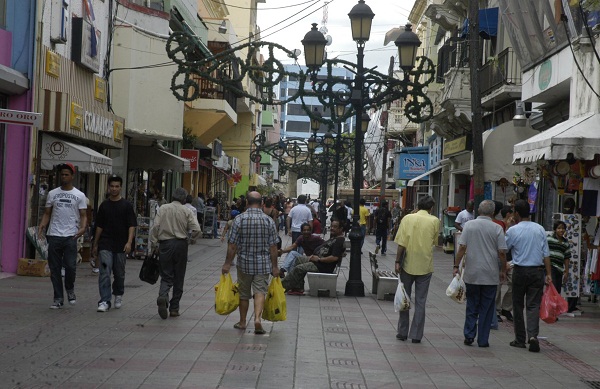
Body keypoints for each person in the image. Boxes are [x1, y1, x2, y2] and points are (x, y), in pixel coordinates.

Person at [222, 192, 279, 335]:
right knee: (260, 291)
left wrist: (228, 263)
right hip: (263, 263)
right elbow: (273, 247)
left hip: (244, 263)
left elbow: (232, 245)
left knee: (244, 293)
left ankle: (242, 322)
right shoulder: (268, 221)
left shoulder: (239, 220)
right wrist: (275, 266)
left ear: (247, 202)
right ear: (261, 203)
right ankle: (257, 319)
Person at [454, 200, 507, 348]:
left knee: (472, 305)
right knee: (486, 308)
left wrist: (455, 266)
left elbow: (462, 247)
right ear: (493, 212)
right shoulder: (497, 228)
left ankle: (469, 335)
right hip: (490, 274)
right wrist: (503, 270)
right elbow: (502, 253)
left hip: (472, 273)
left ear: (478, 210)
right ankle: (483, 340)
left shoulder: (469, 225)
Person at [38, 163, 88, 309]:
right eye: (62, 174)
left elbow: (83, 215)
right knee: (55, 268)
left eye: (67, 174)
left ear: (72, 176)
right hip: (54, 234)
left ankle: (70, 289)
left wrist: (83, 227)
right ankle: (58, 298)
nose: (64, 177)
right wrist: (42, 225)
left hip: (71, 235)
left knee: (71, 266)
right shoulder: (52, 193)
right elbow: (47, 213)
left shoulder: (79, 195)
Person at [505, 199, 552, 352]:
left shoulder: (513, 230)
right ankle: (532, 336)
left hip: (519, 271)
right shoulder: (539, 229)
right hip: (537, 271)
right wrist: (549, 274)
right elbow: (546, 254)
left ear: (516, 213)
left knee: (517, 305)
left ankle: (520, 339)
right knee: (533, 305)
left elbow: (504, 250)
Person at [394, 195, 440, 343]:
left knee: (404, 298)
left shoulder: (407, 218)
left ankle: (402, 332)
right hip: (425, 265)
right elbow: (434, 241)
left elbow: (401, 243)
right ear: (431, 207)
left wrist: (397, 261)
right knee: (421, 301)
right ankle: (416, 335)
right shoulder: (434, 221)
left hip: (407, 263)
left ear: (418, 206)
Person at [151, 187, 201, 319]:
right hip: (180, 245)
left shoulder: (163, 208)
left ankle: (163, 295)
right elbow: (197, 229)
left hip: (165, 244)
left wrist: (154, 243)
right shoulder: (187, 210)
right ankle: (174, 308)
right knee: (179, 276)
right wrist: (191, 240)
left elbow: (155, 227)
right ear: (184, 199)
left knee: (166, 274)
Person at [92, 176, 137, 312]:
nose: (114, 189)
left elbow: (132, 226)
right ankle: (105, 300)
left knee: (119, 272)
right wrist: (95, 244)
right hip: (106, 243)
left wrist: (129, 242)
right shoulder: (104, 205)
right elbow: (99, 226)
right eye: (112, 186)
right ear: (108, 187)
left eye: (117, 186)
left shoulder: (127, 206)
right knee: (105, 271)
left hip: (121, 244)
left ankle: (118, 294)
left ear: (121, 188)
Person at [282, 219, 345, 295]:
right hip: (317, 261)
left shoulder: (339, 241)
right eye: (332, 226)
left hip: (321, 266)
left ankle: (281, 287)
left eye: (335, 227)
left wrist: (319, 259)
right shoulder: (334, 238)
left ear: (341, 229)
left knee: (299, 269)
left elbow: (334, 257)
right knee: (298, 259)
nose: (332, 228)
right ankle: (298, 288)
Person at [547, 220, 571, 296]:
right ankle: (550, 306)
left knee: (557, 290)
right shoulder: (549, 239)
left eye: (563, 228)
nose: (561, 230)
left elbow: (566, 258)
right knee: (552, 288)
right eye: (559, 228)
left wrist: (566, 271)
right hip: (551, 267)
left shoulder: (565, 242)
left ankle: (554, 306)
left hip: (560, 269)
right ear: (555, 229)